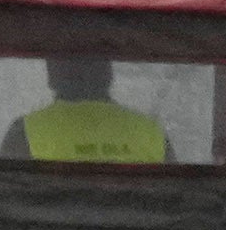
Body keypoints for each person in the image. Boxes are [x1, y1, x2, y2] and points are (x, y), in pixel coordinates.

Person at [9, 53, 169, 163]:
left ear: (53, 73)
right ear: (107, 71)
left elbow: (5, 201)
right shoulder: (151, 133)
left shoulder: (25, 133)